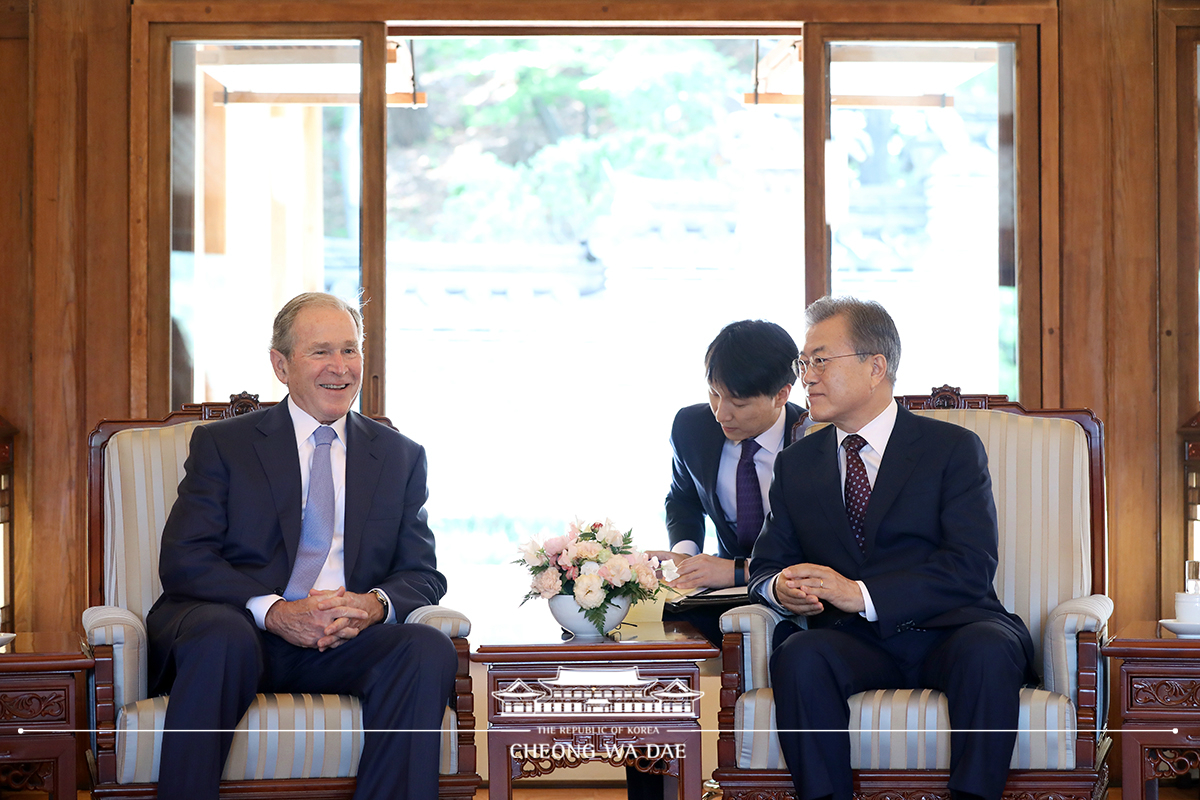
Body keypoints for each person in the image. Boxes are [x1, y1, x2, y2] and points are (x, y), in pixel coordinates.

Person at [146, 292, 456, 800]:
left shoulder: (400, 457)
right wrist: (274, 611)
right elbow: (185, 558)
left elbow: (422, 574)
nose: (340, 367)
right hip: (240, 629)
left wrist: (373, 606)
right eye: (320, 352)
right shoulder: (225, 445)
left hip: (340, 639)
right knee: (221, 634)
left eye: (350, 351)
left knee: (426, 648)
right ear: (281, 364)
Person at [749, 296, 1035, 800]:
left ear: (875, 367)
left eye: (820, 360)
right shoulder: (797, 464)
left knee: (989, 650)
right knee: (799, 655)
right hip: (852, 640)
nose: (806, 377)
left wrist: (860, 592)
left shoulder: (951, 450)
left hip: (954, 626)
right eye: (803, 362)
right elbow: (768, 565)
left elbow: (970, 566)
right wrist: (780, 588)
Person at [647, 319, 803, 645]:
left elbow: (825, 550)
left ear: (781, 394)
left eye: (739, 403)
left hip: (793, 592)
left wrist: (735, 570)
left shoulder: (815, 440)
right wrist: (684, 558)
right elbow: (683, 499)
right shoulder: (692, 427)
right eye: (714, 394)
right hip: (721, 596)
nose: (721, 414)